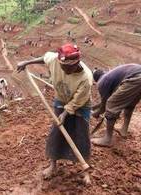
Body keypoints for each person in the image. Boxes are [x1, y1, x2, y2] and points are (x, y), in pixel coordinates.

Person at [17, 43, 93, 184]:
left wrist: (64, 114)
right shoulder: (56, 60)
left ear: (76, 64)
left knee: (81, 133)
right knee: (56, 132)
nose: (63, 69)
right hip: (61, 99)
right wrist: (26, 62)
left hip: (81, 104)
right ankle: (53, 165)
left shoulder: (86, 78)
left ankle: (85, 169)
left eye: (67, 68)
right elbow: (45, 57)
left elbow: (76, 102)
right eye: (62, 66)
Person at [91, 64, 141, 147]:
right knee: (130, 104)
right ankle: (124, 130)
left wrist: (93, 114)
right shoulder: (109, 76)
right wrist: (92, 108)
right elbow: (103, 102)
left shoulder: (101, 82)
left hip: (138, 77)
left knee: (111, 104)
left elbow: (104, 106)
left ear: (95, 81)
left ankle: (107, 139)